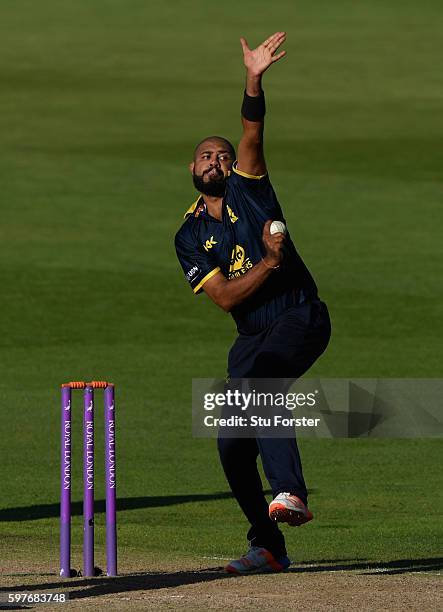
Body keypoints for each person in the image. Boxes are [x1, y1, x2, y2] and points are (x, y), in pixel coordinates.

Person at [175, 32, 331, 574]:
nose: (215, 160)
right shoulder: (189, 235)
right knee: (231, 444)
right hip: (250, 335)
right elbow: (222, 298)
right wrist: (266, 261)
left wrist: (253, 78)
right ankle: (268, 546)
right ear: (192, 169)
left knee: (265, 385)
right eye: (205, 155)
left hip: (299, 315)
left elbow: (251, 131)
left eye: (220, 154)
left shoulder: (251, 188)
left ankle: (291, 491)